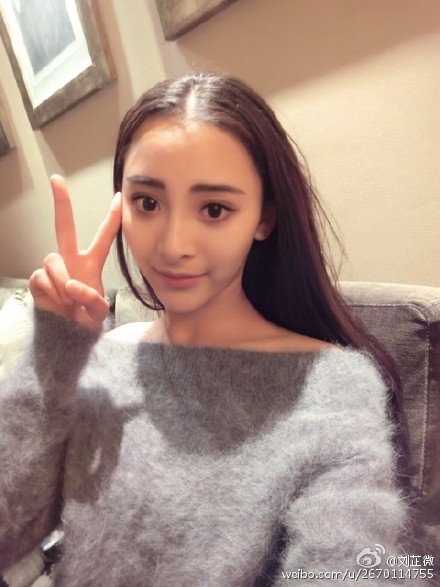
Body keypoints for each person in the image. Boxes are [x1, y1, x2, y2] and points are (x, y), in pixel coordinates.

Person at [0, 74, 423, 586]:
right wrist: (54, 356)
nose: (174, 245)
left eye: (214, 209)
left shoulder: (334, 388)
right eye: (147, 203)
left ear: (264, 217)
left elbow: (352, 559)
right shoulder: (101, 361)